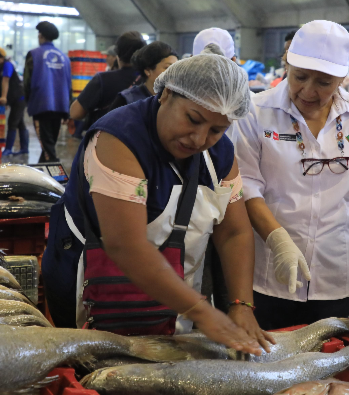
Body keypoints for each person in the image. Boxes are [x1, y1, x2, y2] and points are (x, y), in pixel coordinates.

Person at [41, 52, 273, 355]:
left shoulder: (220, 155)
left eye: (217, 130)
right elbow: (125, 245)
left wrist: (241, 304)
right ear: (166, 94)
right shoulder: (119, 138)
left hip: (173, 300)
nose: (199, 138)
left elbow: (234, 232)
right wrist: (203, 312)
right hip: (91, 292)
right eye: (193, 119)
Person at [234, 20, 349, 330]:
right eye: (299, 77)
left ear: (342, 78)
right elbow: (245, 184)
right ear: (286, 63)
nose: (308, 91)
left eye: (325, 82)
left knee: (325, 358)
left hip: (338, 268)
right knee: (267, 360)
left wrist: (336, 230)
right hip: (269, 268)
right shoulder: (255, 111)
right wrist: (279, 240)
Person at [69, 31, 146, 130]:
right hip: (141, 140)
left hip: (107, 137)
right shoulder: (151, 80)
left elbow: (75, 113)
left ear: (117, 54)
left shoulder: (102, 80)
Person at [23, 21, 71, 163]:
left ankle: (57, 180)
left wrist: (28, 102)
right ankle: (43, 176)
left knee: (49, 151)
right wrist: (67, 109)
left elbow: (27, 82)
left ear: (40, 36)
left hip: (41, 105)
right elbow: (69, 83)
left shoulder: (34, 55)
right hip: (60, 105)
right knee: (48, 145)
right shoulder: (64, 57)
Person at [108, 41, 178, 111]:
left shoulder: (177, 100)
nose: (174, 73)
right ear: (148, 70)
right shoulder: (127, 100)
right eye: (167, 68)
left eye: (177, 68)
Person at [0, 47, 28, 156]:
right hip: (12, 99)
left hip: (19, 98)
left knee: (12, 123)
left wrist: (3, 97)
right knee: (20, 123)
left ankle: (8, 149)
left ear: (1, 58)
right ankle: (24, 149)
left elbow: (5, 81)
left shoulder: (7, 65)